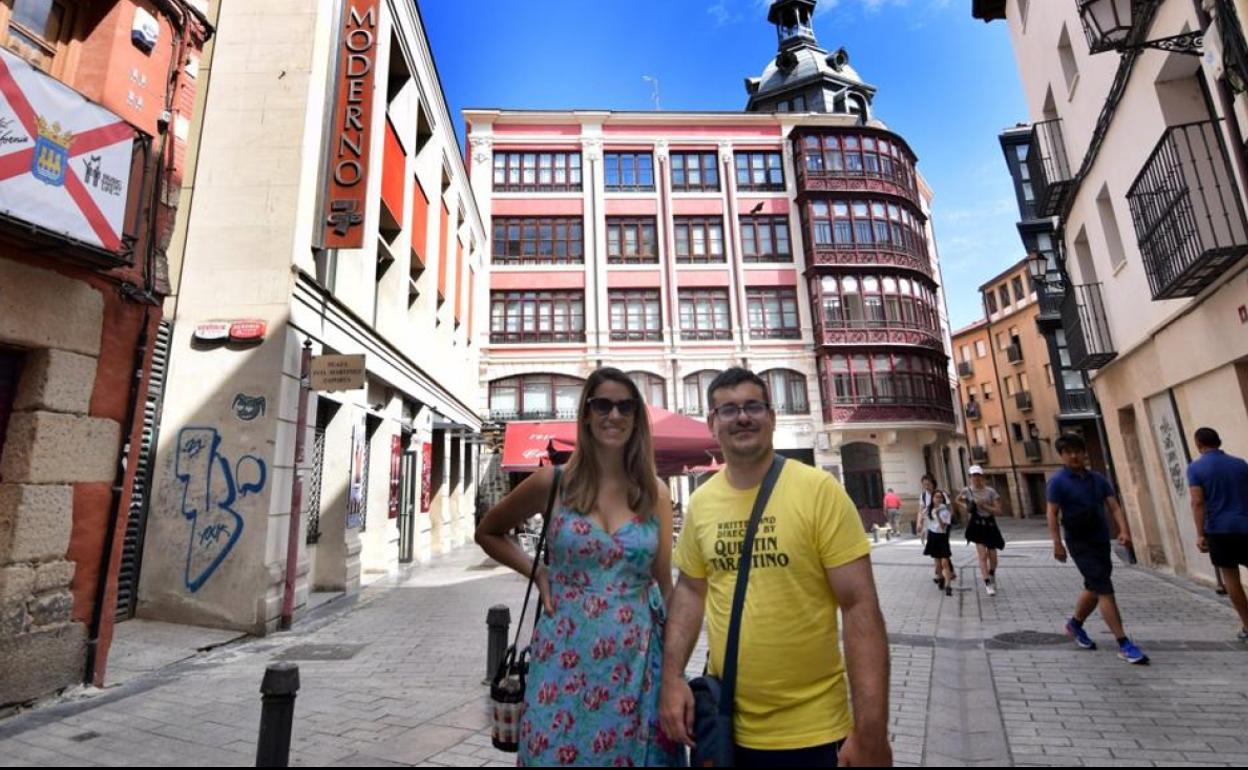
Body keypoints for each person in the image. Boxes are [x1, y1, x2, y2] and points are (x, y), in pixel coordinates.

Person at [659, 367, 891, 767]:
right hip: (727, 724)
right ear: (713, 424)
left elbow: (860, 606)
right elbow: (691, 591)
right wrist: (671, 676)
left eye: (753, 406)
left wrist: (871, 729)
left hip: (815, 730)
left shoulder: (819, 491)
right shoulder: (702, 502)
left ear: (772, 417)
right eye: (728, 410)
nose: (743, 417)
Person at [475, 367, 685, 766]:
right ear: (587, 413)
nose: (614, 415)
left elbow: (665, 585)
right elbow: (489, 532)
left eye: (626, 407)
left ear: (637, 418)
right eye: (602, 404)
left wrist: (676, 673)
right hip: (563, 660)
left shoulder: (653, 491)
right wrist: (537, 572)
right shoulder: (552, 482)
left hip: (637, 663)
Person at [1047, 433, 1149, 664]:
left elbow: (1113, 506)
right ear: (1062, 456)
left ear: (1084, 453)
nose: (1074, 456)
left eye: (1077, 451)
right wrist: (1057, 543)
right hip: (1078, 541)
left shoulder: (1098, 479)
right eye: (1068, 452)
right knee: (1104, 588)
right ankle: (1123, 643)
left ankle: (1075, 624)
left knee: (1095, 585)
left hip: (1100, 539)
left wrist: (1123, 530)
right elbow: (1051, 513)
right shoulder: (1058, 482)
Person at [1187, 427, 1248, 641]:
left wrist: (1200, 533)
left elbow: (1197, 502)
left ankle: (1247, 625)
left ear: (1198, 445)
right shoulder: (1240, 464)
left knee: (1230, 578)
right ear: (1219, 441)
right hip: (1245, 525)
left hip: (1219, 529)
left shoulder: (1196, 469)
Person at [957, 466, 1006, 597]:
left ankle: (991, 573)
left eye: (978, 475)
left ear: (982, 476)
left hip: (989, 524)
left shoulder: (990, 492)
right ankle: (987, 583)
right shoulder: (966, 491)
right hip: (976, 525)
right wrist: (968, 507)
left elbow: (999, 511)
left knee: (993, 557)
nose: (976, 478)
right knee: (982, 555)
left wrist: (984, 506)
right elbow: (958, 500)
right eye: (973, 475)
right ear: (970, 477)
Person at [923, 490, 955, 596]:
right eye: (936, 497)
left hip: (942, 537)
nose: (938, 499)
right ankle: (940, 578)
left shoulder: (946, 511)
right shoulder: (929, 510)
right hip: (933, 537)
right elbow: (927, 523)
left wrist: (938, 515)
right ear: (932, 499)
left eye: (940, 497)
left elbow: (943, 527)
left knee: (945, 562)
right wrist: (924, 534)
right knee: (937, 561)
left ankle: (948, 585)